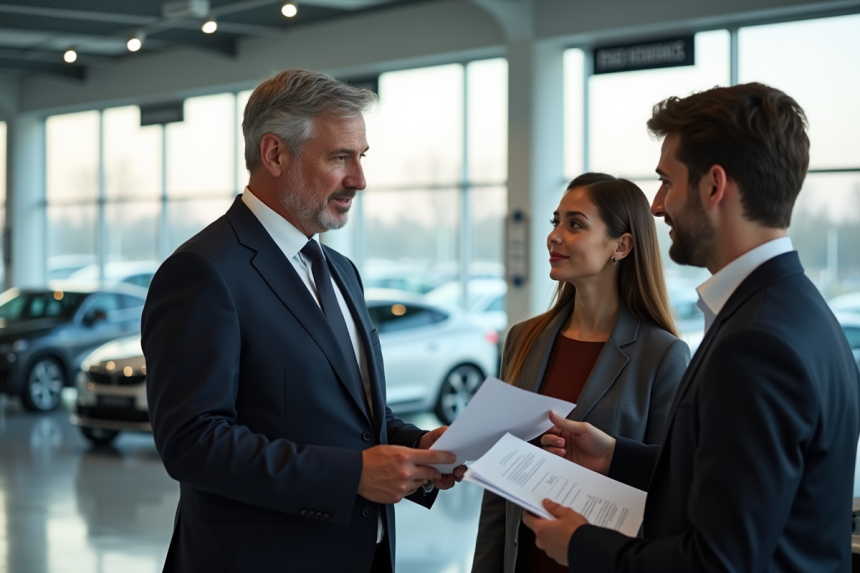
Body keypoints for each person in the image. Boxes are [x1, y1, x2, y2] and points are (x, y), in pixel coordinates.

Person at [523, 83, 860, 572]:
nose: (657, 206)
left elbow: (719, 562)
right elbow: (735, 485)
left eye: (667, 182)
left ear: (713, 186)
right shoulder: (799, 310)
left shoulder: (756, 342)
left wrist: (581, 546)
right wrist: (617, 456)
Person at [142, 68, 464, 573]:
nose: (359, 179)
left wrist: (415, 446)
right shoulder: (203, 271)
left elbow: (353, 416)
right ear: (274, 154)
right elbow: (192, 442)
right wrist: (351, 475)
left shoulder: (340, 270)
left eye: (361, 157)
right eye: (339, 158)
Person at [472, 173, 690, 573]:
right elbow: (497, 486)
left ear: (621, 246)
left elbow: (672, 486)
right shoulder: (523, 338)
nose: (554, 236)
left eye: (575, 224)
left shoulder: (663, 355)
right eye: (555, 221)